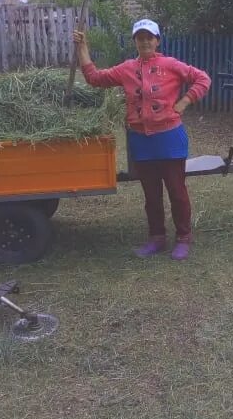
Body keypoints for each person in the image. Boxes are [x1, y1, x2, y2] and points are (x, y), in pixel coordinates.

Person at [74, 19, 211, 260]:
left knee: (177, 192)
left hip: (169, 138)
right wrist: (82, 48)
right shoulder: (126, 68)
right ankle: (156, 238)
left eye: (150, 37)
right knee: (151, 194)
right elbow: (95, 78)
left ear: (158, 40)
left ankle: (183, 238)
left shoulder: (170, 64)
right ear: (135, 41)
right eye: (140, 37)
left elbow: (203, 79)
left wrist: (185, 101)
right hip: (141, 140)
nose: (145, 41)